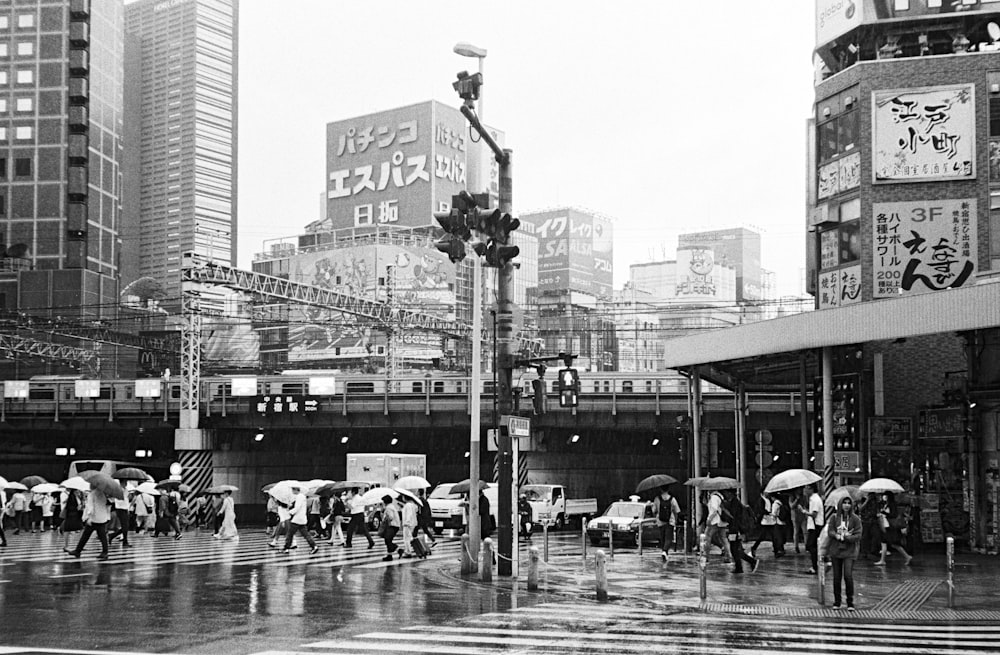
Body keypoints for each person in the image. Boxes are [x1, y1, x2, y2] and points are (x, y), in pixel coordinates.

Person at [827, 496, 862, 610]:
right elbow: (830, 530)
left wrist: (848, 537)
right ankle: (837, 601)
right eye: (844, 503)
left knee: (848, 575)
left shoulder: (855, 519)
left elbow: (858, 535)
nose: (846, 505)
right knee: (837, 577)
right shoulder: (834, 517)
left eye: (849, 503)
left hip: (849, 551)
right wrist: (836, 535)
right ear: (840, 504)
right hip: (836, 550)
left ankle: (850, 602)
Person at [66, 488, 111, 560]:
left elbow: (91, 507)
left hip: (94, 518)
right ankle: (105, 552)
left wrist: (89, 517)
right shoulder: (103, 493)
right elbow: (107, 505)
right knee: (102, 536)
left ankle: (78, 551)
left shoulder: (92, 494)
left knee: (86, 535)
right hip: (102, 518)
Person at [723, 490, 760, 574]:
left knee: (735, 549)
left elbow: (733, 517)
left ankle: (750, 562)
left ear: (731, 493)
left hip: (735, 529)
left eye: (727, 493)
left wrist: (724, 509)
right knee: (735, 549)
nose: (726, 494)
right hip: (735, 528)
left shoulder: (735, 503)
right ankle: (740, 566)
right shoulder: (734, 502)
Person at [874, 491, 913, 566]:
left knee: (893, 544)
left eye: (885, 496)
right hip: (886, 525)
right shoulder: (885, 504)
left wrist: (884, 513)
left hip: (890, 527)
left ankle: (907, 556)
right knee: (885, 543)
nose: (884, 497)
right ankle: (883, 560)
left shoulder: (892, 504)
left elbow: (893, 515)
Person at [281, 484, 318, 554]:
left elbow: (297, 508)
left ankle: (286, 548)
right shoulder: (302, 496)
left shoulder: (299, 497)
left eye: (292, 489)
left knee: (290, 533)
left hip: (297, 519)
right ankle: (314, 546)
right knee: (305, 534)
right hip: (302, 518)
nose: (292, 491)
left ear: (295, 490)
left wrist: (290, 512)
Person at [703, 488, 732, 563]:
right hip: (722, 522)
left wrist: (709, 519)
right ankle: (729, 556)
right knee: (724, 539)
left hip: (715, 521)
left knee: (707, 537)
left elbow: (714, 510)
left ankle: (706, 557)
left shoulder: (714, 497)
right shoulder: (720, 496)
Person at [750, 492, 783, 559]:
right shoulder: (761, 500)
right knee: (762, 536)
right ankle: (754, 547)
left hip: (770, 520)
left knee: (773, 536)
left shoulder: (769, 500)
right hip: (765, 520)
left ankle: (776, 551)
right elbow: (761, 510)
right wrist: (768, 513)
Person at [652, 486, 680, 560]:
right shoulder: (672, 499)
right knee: (669, 538)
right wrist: (676, 520)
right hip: (670, 521)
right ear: (668, 489)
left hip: (660, 521)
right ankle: (665, 551)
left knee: (663, 537)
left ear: (661, 489)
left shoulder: (657, 499)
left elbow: (654, 511)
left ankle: (664, 552)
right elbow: (677, 511)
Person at [803, 484, 825, 574]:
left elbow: (814, 514)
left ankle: (816, 566)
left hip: (815, 526)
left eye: (806, 488)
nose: (805, 490)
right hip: (813, 525)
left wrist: (804, 511)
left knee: (811, 546)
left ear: (811, 489)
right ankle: (816, 565)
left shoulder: (815, 499)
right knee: (813, 546)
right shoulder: (813, 499)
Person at [380, 494, 401, 561]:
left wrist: (385, 517)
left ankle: (399, 550)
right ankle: (389, 555)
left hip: (392, 525)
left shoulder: (388, 508)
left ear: (385, 502)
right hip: (395, 525)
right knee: (388, 540)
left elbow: (391, 517)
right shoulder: (391, 506)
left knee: (387, 540)